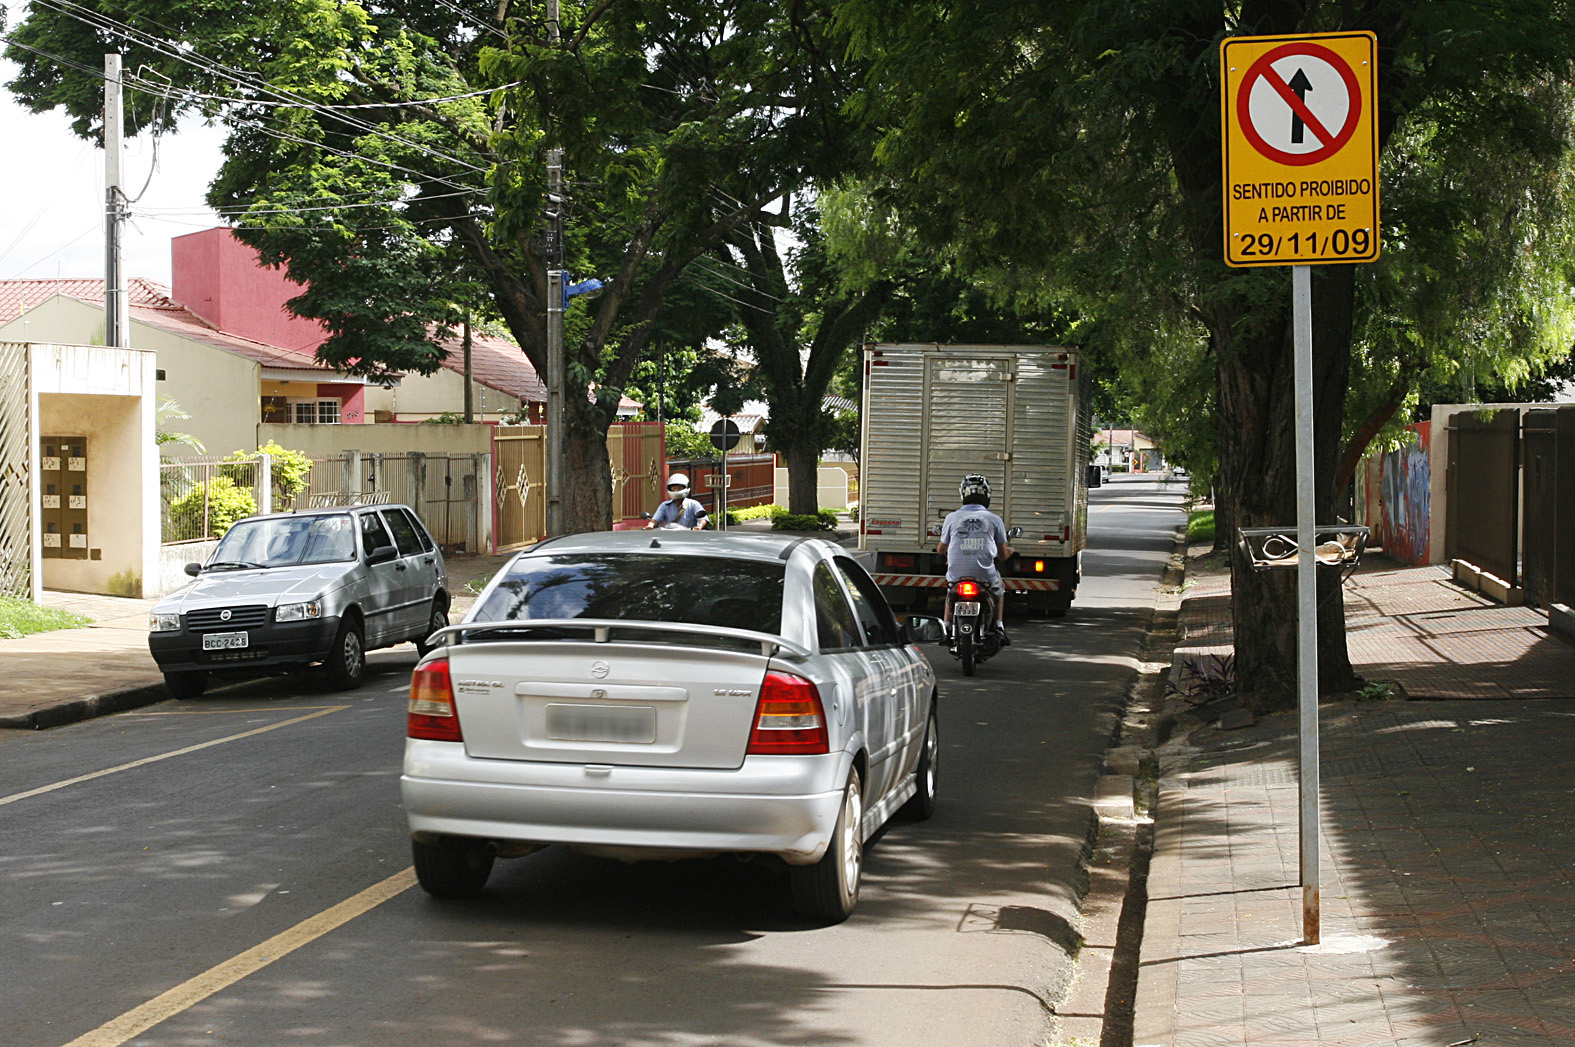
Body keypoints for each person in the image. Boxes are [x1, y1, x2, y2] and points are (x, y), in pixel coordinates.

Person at [936, 473, 1014, 645]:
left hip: (957, 575)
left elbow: (941, 549)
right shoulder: (994, 519)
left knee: (951, 592)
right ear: (987, 496)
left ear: (963, 494)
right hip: (985, 576)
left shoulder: (951, 518)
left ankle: (947, 625)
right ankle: (999, 625)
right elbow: (1002, 554)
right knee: (1000, 589)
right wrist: (1011, 551)